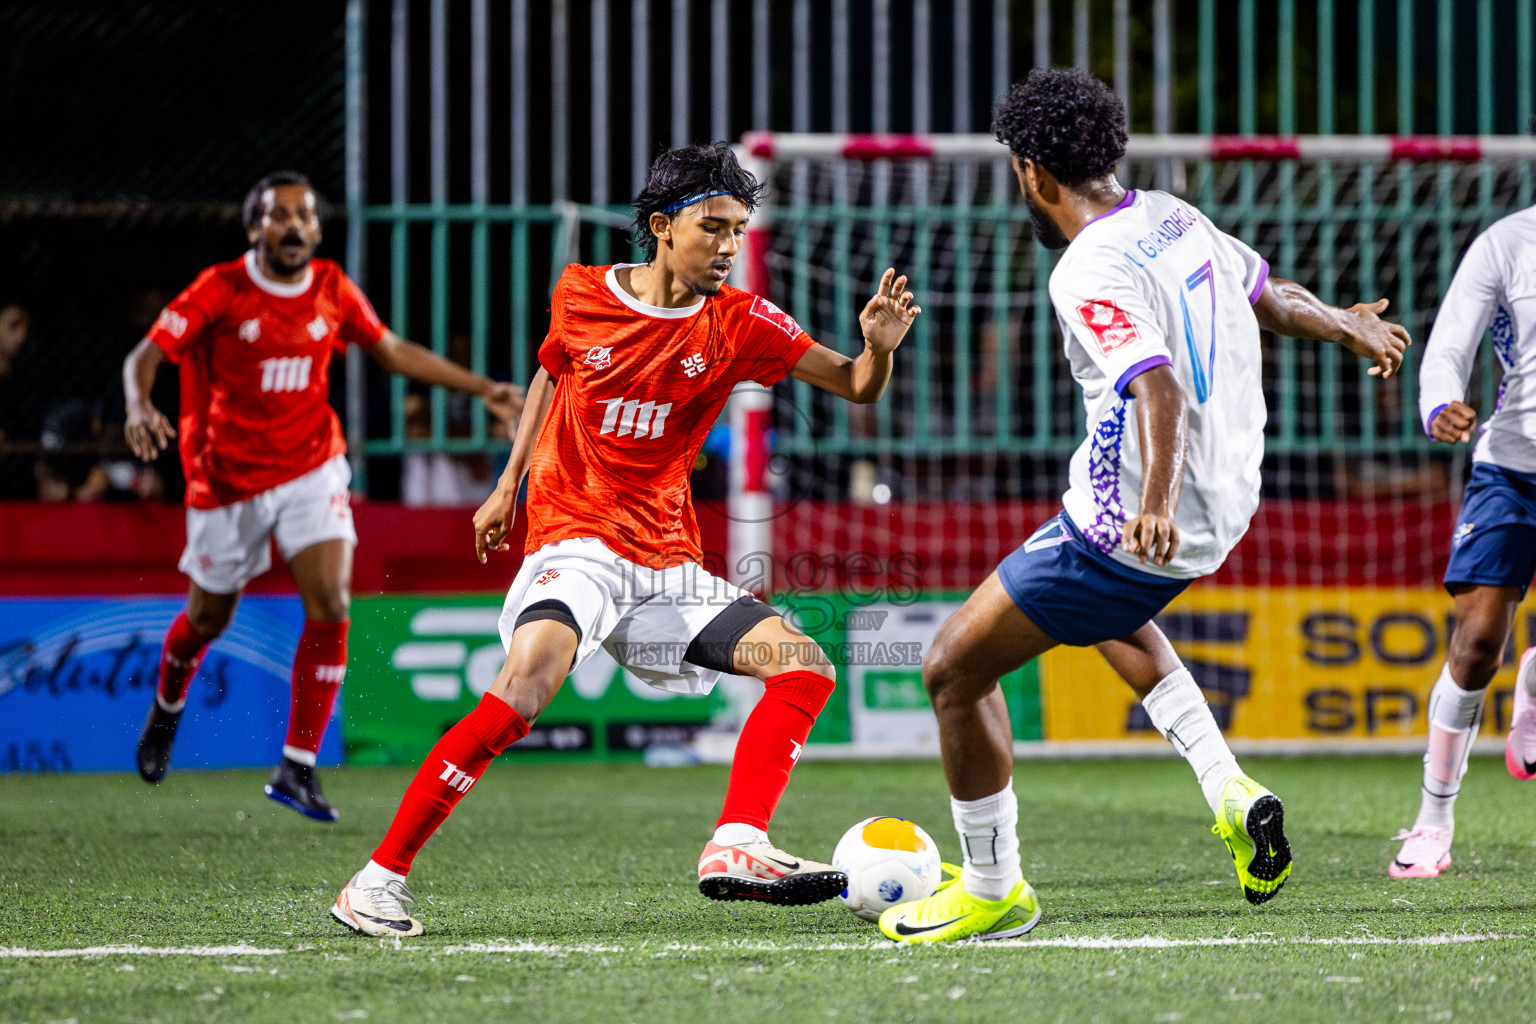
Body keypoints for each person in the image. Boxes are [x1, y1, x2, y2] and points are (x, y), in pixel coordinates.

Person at [329, 142, 921, 936]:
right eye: (713, 227)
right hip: (575, 539)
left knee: (802, 667)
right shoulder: (582, 295)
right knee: (527, 686)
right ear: (660, 227)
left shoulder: (741, 321)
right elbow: (552, 374)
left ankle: (738, 843)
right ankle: (376, 879)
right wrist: (509, 485)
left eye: (738, 230)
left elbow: (852, 384)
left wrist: (877, 352)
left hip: (665, 561)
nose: (727, 246)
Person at [878, 69, 1409, 944]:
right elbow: (1267, 293)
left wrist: (1153, 503)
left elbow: (1153, 383)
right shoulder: (1172, 214)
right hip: (1226, 506)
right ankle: (1233, 792)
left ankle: (991, 887)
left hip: (1135, 524)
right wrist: (1345, 324)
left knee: (952, 669)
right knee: (1109, 620)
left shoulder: (1087, 265)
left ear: (1032, 173)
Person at [124, 171, 524, 820]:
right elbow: (144, 355)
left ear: (316, 228)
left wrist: (482, 388)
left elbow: (389, 349)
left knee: (333, 599)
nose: (293, 226)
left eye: (304, 216)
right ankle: (167, 707)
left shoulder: (331, 286)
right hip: (227, 481)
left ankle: (297, 767)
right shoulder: (220, 289)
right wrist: (138, 402)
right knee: (207, 618)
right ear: (254, 227)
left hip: (311, 466)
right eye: (278, 215)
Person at [1389, 180, 1536, 878]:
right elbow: (1448, 345)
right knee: (1478, 644)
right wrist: (1441, 401)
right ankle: (1432, 822)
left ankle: (1532, 688)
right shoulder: (1505, 245)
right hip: (1511, 466)